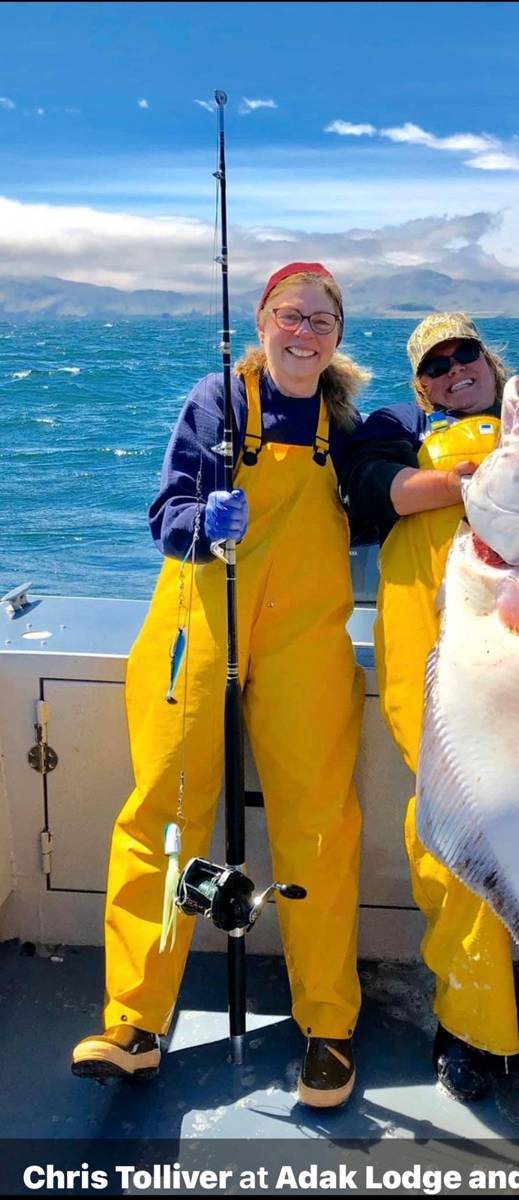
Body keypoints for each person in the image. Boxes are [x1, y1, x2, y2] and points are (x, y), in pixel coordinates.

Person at [72, 263, 369, 1109]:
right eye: (289, 316)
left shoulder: (348, 422)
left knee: (318, 822)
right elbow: (166, 514)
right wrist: (203, 523)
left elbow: (387, 492)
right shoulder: (217, 400)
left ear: (337, 337)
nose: (303, 332)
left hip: (304, 642)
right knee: (162, 814)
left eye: (320, 320)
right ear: (263, 324)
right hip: (198, 623)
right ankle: (133, 1022)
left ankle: (327, 1026)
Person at [341, 312, 519, 1102]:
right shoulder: (392, 428)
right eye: (433, 365)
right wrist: (486, 484)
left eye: (464, 353)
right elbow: (376, 491)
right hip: (438, 652)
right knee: (455, 832)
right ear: (417, 385)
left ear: (489, 360)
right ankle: (469, 1025)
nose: (451, 370)